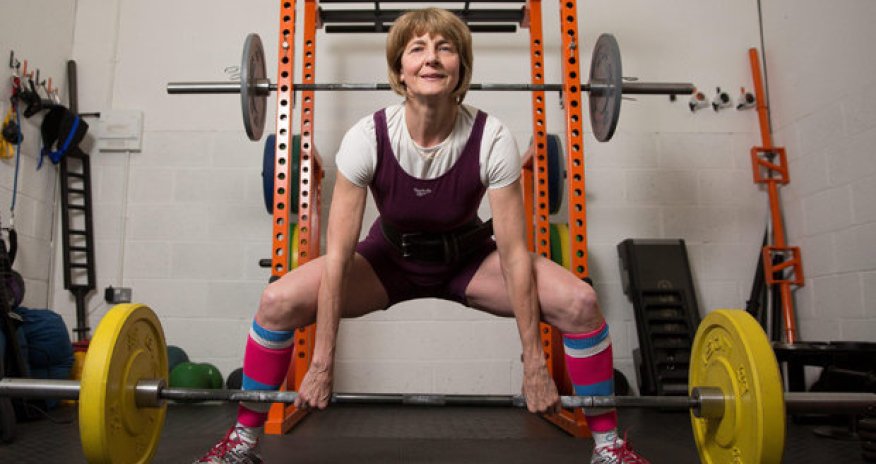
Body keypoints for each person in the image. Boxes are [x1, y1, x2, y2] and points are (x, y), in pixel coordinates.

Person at [194, 8, 648, 464]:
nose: (431, 59)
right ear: (400, 72)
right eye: (417, 49)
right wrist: (322, 360)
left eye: (445, 48)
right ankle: (242, 445)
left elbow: (513, 257)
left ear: (460, 70)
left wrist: (533, 362)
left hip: (467, 261)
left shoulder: (492, 138)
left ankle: (608, 449)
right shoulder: (366, 138)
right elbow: (338, 258)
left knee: (581, 304)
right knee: (276, 303)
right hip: (388, 261)